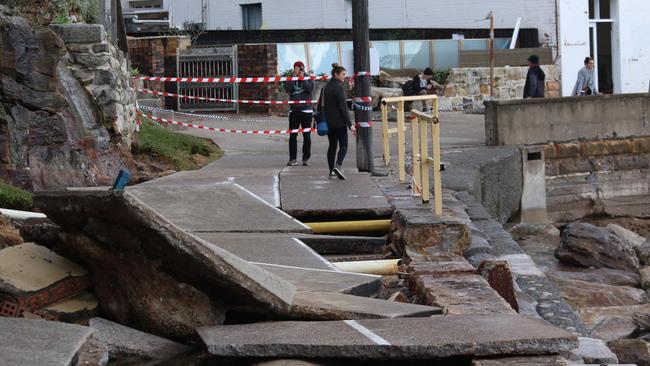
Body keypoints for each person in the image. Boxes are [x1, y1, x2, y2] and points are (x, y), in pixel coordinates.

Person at [319, 63, 355, 180]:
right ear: (336, 75)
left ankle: (331, 172)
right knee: (344, 145)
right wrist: (350, 124)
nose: (344, 76)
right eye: (343, 74)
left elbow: (320, 104)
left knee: (332, 146)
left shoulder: (325, 87)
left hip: (328, 122)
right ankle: (338, 166)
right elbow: (343, 108)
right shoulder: (339, 88)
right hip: (339, 122)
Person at [283, 61, 314, 166]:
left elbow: (310, 89)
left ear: (303, 68)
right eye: (295, 68)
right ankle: (292, 158)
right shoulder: (292, 78)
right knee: (292, 135)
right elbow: (287, 88)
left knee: (307, 136)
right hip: (294, 111)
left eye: (299, 68)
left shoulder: (308, 78)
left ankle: (305, 158)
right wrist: (293, 77)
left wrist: (302, 78)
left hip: (306, 111)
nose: (297, 70)